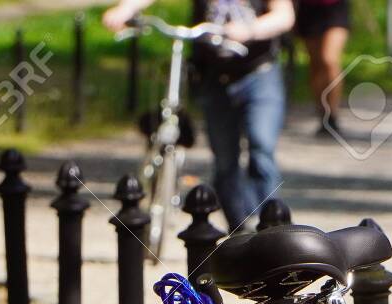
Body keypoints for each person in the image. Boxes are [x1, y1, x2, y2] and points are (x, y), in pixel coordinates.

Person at [103, 0, 296, 230]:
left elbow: (284, 16)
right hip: (214, 78)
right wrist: (125, 9)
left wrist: (250, 29)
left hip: (259, 74)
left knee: (261, 145)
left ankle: (272, 228)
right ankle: (240, 229)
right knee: (224, 159)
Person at [295, 0, 351, 135]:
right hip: (309, 8)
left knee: (329, 60)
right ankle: (323, 113)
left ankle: (332, 114)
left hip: (335, 7)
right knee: (315, 64)